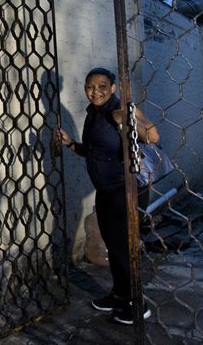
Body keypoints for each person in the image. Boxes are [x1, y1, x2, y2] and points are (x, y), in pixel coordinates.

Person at [56, 67, 159, 325]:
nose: (96, 91)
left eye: (102, 86)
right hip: (106, 191)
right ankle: (120, 294)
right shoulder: (93, 114)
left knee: (124, 247)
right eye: (90, 87)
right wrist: (70, 144)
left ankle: (138, 303)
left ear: (112, 88)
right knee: (114, 247)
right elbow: (93, 152)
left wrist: (123, 121)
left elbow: (153, 136)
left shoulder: (121, 108)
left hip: (127, 189)